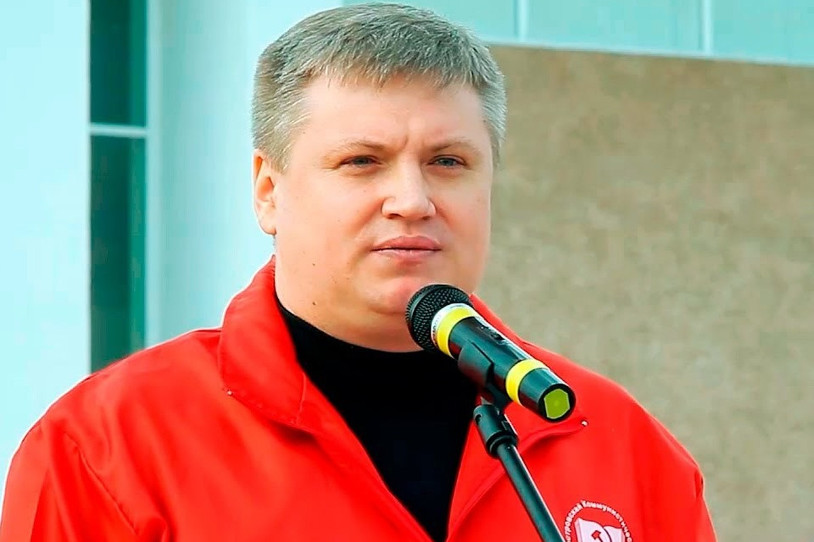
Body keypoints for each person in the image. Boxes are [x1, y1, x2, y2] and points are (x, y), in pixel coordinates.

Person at [0, 3, 716, 541]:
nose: (412, 200)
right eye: (361, 161)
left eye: (448, 161)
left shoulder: (621, 446)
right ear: (268, 191)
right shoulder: (106, 448)